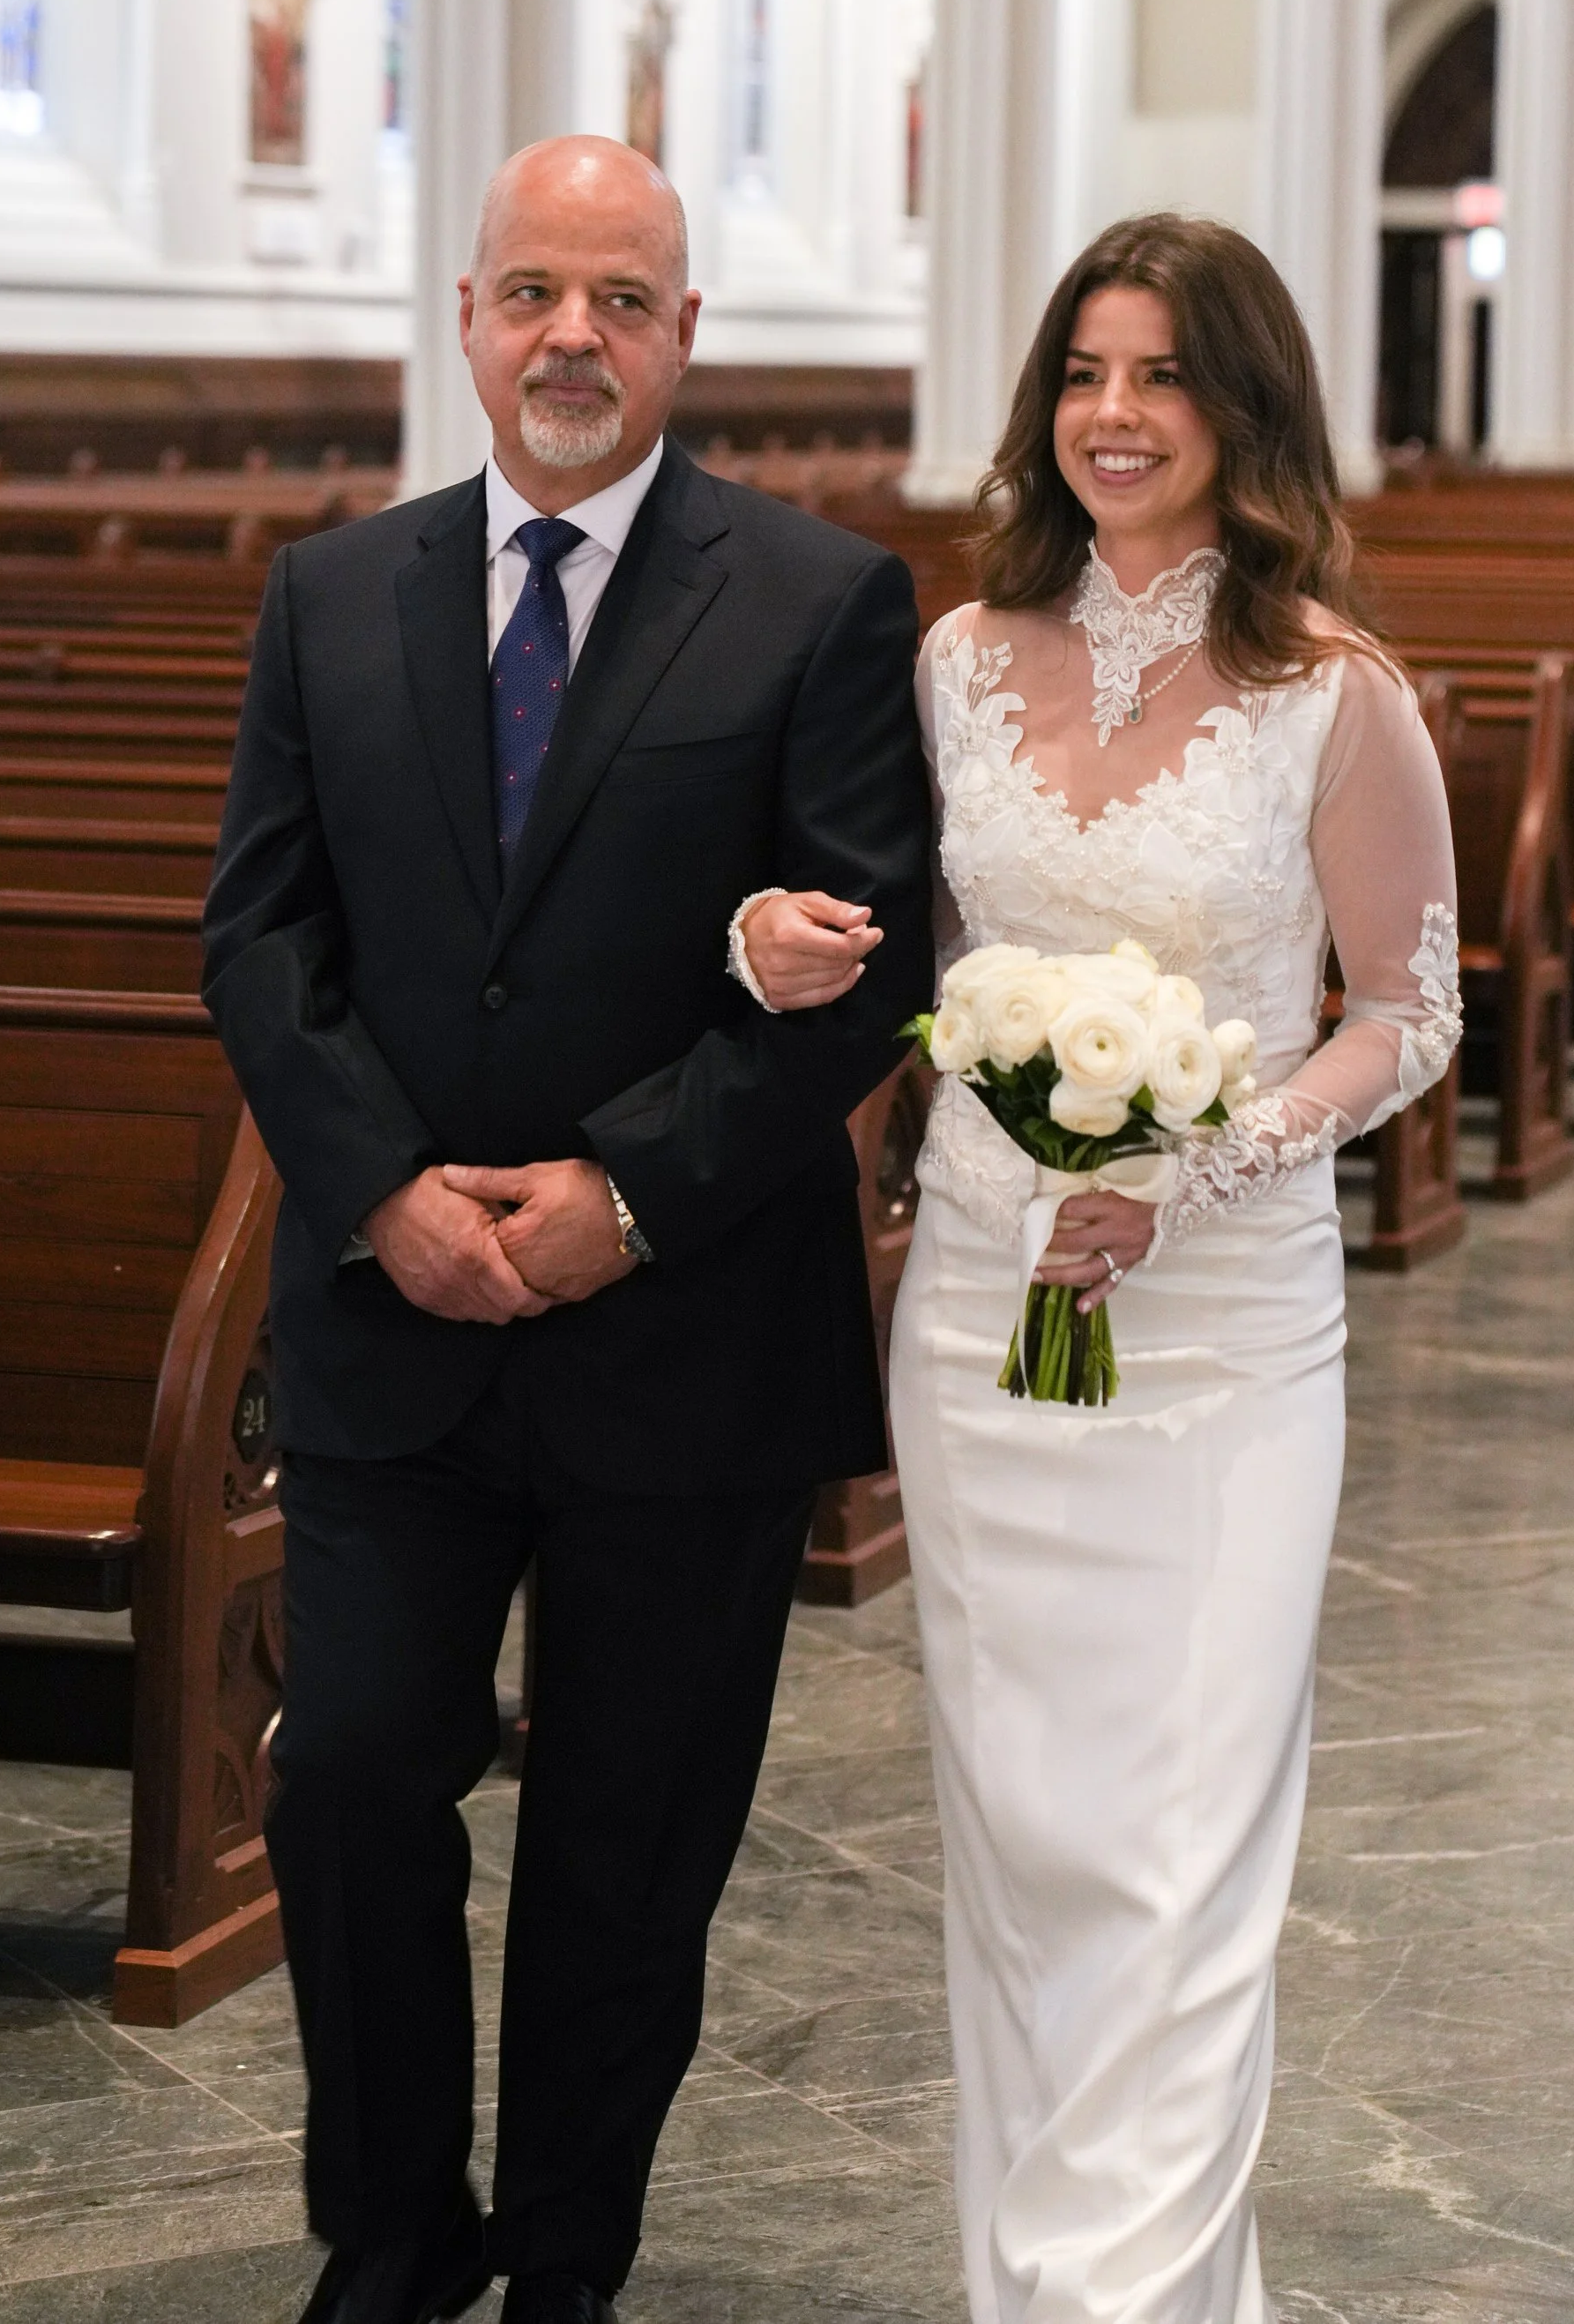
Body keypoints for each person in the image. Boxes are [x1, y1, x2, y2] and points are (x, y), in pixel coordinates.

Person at [203, 138, 932, 2324]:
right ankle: (394, 2236)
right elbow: (261, 937)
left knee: (627, 1840)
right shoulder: (333, 595)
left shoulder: (816, 600)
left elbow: (869, 961)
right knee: (342, 1783)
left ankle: (566, 2268)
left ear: (686, 333)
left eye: (619, 299)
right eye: (531, 292)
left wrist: (625, 1193)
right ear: (465, 320)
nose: (571, 340)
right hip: (393, 1320)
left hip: (681, 1335)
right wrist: (380, 1193)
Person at [739, 213, 1461, 2324]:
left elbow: (1401, 1016)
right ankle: (1031, 2277)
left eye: (1159, 377)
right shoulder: (957, 663)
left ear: (1244, 410)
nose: (1114, 417)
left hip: (1222, 1344)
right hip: (978, 1310)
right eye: (1082, 373)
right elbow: (887, 938)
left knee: (1176, 1846)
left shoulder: (1335, 696)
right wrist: (773, 944)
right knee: (1025, 1831)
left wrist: (1201, 1166)